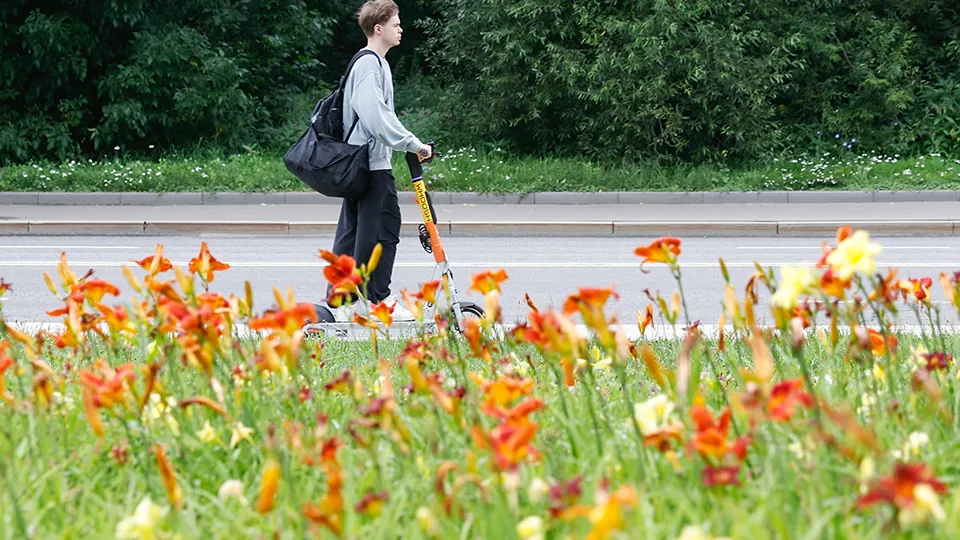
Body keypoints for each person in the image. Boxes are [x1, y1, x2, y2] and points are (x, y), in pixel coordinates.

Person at [328, 0, 431, 322]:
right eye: (396, 24)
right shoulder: (370, 65)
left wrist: (409, 142)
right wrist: (412, 144)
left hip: (364, 164)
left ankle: (343, 302)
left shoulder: (375, 64)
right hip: (370, 166)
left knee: (357, 234)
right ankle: (373, 303)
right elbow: (374, 116)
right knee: (381, 234)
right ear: (378, 28)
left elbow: (383, 115)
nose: (401, 29)